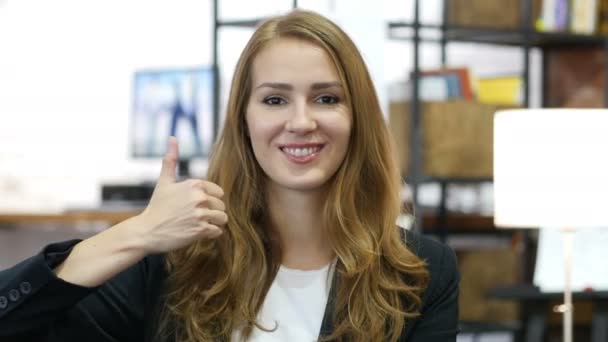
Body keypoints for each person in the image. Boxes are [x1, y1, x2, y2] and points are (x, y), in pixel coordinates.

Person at [0, 10, 459, 342]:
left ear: (358, 116)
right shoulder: (174, 264)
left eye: (326, 98)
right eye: (275, 100)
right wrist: (137, 233)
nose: (301, 121)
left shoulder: (423, 273)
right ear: (243, 119)